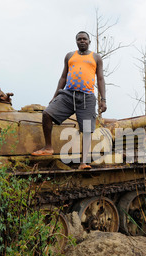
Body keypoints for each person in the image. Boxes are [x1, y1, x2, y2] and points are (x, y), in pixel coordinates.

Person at [31, 31, 107, 170]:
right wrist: (54, 97)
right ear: (76, 41)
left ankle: (83, 163)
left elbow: (101, 79)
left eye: (85, 39)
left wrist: (104, 99)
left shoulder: (96, 57)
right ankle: (48, 147)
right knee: (47, 114)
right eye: (79, 39)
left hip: (87, 98)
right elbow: (63, 77)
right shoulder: (70, 56)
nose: (82, 41)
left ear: (89, 41)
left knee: (87, 130)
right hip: (68, 95)